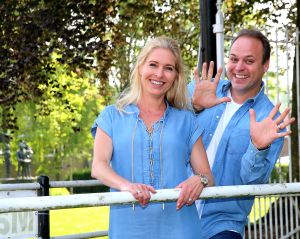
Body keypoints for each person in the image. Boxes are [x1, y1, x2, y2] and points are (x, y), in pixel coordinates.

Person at [91, 36, 213, 239]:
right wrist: (126, 186)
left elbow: (207, 176)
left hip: (181, 229)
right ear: (140, 67)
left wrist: (199, 180)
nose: (159, 74)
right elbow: (98, 166)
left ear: (176, 76)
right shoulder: (112, 116)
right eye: (153, 65)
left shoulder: (187, 120)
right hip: (128, 229)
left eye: (168, 68)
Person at [188, 29, 295, 239]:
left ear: (265, 65)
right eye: (234, 59)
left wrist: (258, 147)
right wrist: (193, 106)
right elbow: (163, 131)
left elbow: (251, 182)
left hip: (221, 224)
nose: (239, 67)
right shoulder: (202, 89)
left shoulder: (270, 120)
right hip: (176, 210)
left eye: (249, 60)